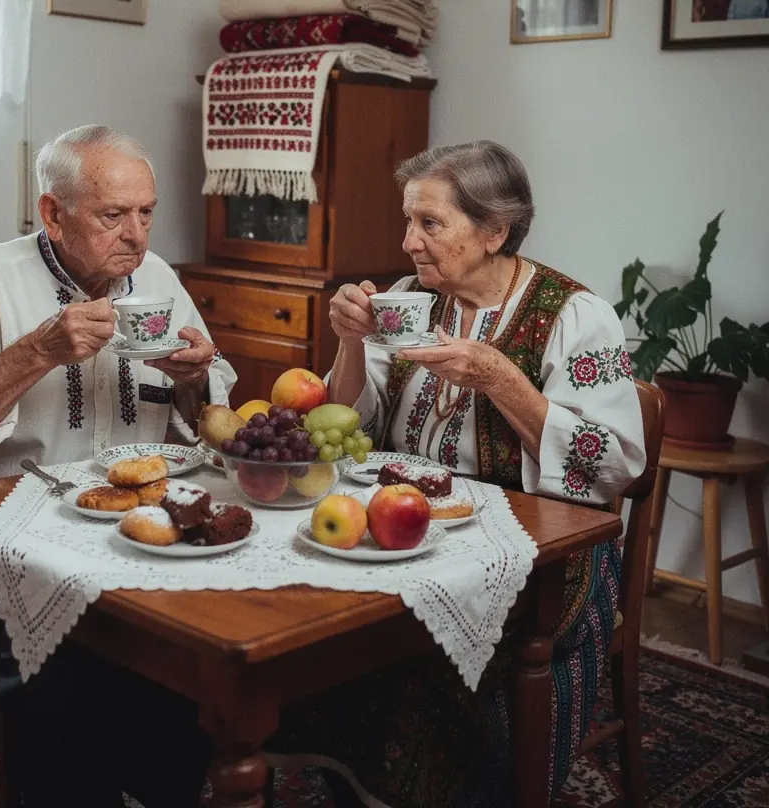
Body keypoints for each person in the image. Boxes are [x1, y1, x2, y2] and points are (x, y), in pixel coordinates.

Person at [264, 141, 645, 808]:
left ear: (495, 230)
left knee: (415, 661)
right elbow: (348, 424)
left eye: (430, 223)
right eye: (408, 220)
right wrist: (350, 341)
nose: (408, 241)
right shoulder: (409, 299)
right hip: (406, 531)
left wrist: (502, 379)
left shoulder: (574, 318)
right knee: (308, 624)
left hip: (537, 557)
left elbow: (611, 465)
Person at [0, 125, 236, 807]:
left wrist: (195, 378)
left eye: (147, 212)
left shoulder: (158, 282)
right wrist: (36, 352)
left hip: (124, 540)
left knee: (202, 663)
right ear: (53, 212)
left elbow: (209, 415)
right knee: (59, 688)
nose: (137, 236)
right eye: (113, 215)